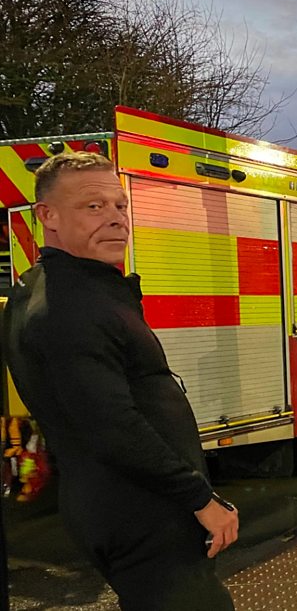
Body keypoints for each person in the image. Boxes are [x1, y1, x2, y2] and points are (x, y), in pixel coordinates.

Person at [1, 151, 237, 610]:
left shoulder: (54, 287)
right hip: (142, 512)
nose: (115, 219)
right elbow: (113, 427)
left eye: (120, 206)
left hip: (124, 505)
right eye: (93, 206)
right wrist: (201, 499)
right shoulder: (70, 308)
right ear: (46, 215)